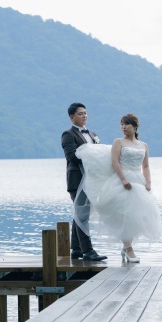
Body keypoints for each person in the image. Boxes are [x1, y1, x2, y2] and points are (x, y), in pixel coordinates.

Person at [76, 113, 162, 263]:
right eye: (121, 124)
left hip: (138, 181)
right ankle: (129, 248)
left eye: (126, 124)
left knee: (136, 216)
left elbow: (146, 166)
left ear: (134, 126)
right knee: (123, 215)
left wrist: (148, 182)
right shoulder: (119, 142)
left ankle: (126, 246)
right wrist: (123, 179)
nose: (123, 127)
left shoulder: (144, 145)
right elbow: (115, 162)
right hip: (121, 181)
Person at [61, 103, 107, 261]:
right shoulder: (68, 134)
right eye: (80, 114)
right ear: (71, 117)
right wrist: (90, 154)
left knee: (80, 215)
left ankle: (76, 249)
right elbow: (71, 157)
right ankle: (88, 251)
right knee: (83, 215)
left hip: (91, 181)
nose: (84, 116)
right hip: (77, 181)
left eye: (85, 113)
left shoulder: (93, 134)